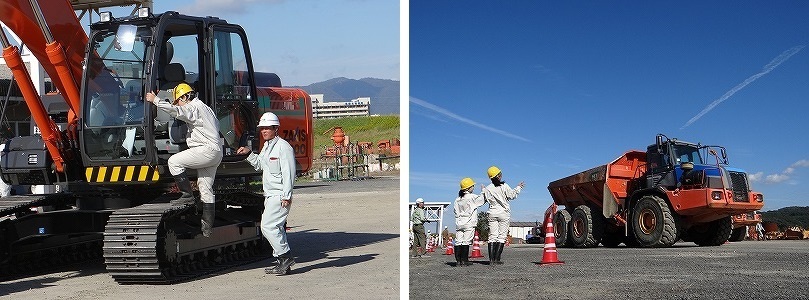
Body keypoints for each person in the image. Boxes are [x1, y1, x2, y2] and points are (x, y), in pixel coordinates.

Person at [145, 83, 222, 238]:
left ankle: (187, 195)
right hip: (215, 152)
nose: (178, 103)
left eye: (178, 100)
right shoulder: (206, 109)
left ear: (185, 97)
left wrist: (156, 100)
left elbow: (177, 111)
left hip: (206, 150)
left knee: (174, 161)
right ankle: (207, 228)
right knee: (205, 189)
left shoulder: (194, 107)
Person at [236, 112, 296, 275]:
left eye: (267, 128)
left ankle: (285, 256)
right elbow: (260, 166)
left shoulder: (283, 147)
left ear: (276, 128)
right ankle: (282, 262)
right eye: (262, 128)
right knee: (277, 228)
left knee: (267, 226)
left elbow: (289, 172)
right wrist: (249, 153)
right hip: (269, 195)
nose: (264, 131)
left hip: (279, 195)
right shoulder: (267, 147)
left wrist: (286, 196)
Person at [482, 165, 524, 265]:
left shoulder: (488, 188)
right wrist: (518, 187)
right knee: (501, 236)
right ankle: (497, 259)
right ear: (499, 176)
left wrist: (483, 190)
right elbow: (512, 195)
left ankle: (491, 260)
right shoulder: (504, 186)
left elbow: (484, 199)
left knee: (492, 236)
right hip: (503, 213)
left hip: (492, 213)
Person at [453, 177, 486, 267]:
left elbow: (455, 211)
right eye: (472, 186)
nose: (473, 188)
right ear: (468, 188)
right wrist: (483, 190)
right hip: (469, 222)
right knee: (466, 241)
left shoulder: (457, 199)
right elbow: (482, 200)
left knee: (458, 241)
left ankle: (458, 261)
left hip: (459, 222)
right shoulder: (471, 197)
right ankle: (464, 260)